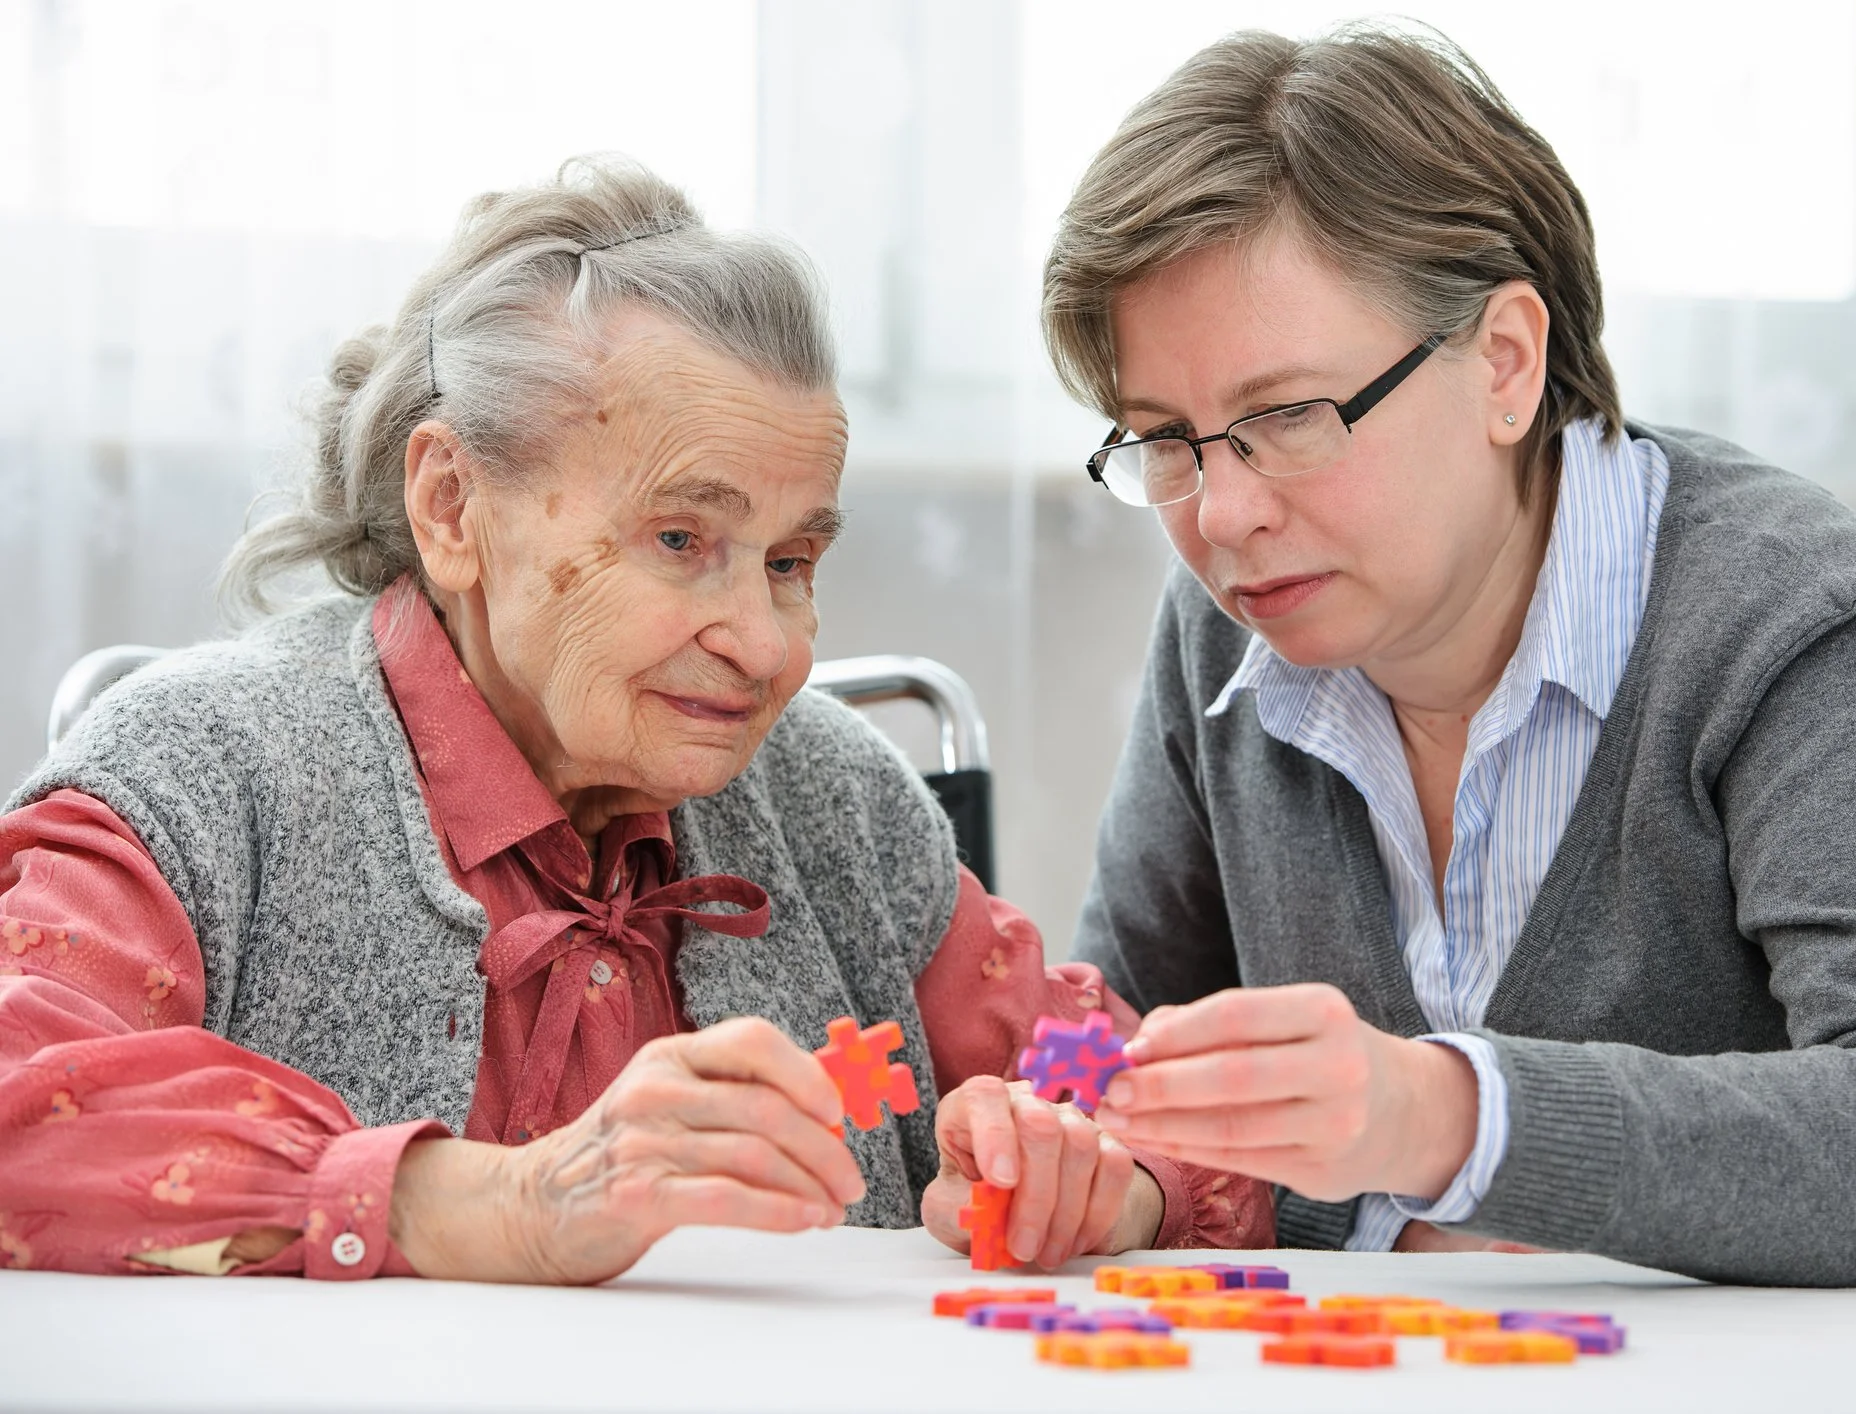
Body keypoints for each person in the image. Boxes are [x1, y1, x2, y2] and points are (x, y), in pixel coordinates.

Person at [0, 158, 1270, 1282]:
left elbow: (1116, 1076)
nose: (768, 647)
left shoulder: (839, 802)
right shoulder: (204, 775)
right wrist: (496, 1203)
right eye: (681, 540)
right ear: (452, 507)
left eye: (790, 562)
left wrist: (1103, 1166)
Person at [1043, 23, 1856, 1284]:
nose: (1221, 518)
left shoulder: (1798, 623)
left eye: (1286, 416)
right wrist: (1068, 1149)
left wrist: (1445, 1113)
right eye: (1165, 438)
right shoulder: (1233, 618)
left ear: (1505, 362)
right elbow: (1119, 1044)